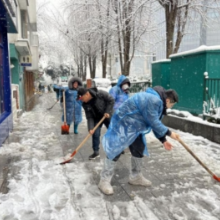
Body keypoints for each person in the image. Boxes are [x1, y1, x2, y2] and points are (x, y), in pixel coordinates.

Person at [98, 86, 180, 195]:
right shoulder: (154, 100)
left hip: (135, 126)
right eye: (171, 105)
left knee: (139, 148)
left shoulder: (155, 99)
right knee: (116, 150)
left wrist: (163, 140)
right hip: (124, 123)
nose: (170, 108)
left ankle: (135, 177)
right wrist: (170, 133)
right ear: (168, 100)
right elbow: (154, 121)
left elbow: (154, 123)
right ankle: (104, 180)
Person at [77, 87, 114, 160]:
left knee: (113, 131)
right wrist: (90, 128)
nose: (82, 100)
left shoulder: (100, 93)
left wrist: (107, 111)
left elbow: (111, 100)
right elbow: (89, 116)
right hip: (97, 118)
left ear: (87, 94)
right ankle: (96, 152)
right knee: (95, 133)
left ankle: (118, 147)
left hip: (107, 114)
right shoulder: (85, 104)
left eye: (82, 98)